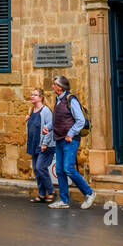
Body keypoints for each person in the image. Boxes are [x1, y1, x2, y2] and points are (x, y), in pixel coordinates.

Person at [48, 74, 95, 209]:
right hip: (59, 139)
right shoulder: (58, 100)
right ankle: (64, 200)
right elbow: (57, 120)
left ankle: (89, 193)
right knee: (60, 170)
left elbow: (80, 120)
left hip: (70, 140)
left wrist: (70, 133)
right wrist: (48, 127)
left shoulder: (71, 100)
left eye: (54, 84)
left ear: (60, 87)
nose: (52, 86)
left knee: (68, 168)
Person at [25, 88, 55, 202]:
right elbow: (33, 127)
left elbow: (49, 128)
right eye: (31, 95)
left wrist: (45, 143)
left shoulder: (46, 111)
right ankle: (42, 194)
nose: (32, 97)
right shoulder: (31, 109)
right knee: (37, 171)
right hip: (34, 144)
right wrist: (27, 120)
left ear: (41, 97)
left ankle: (51, 191)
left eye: (35, 95)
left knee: (40, 168)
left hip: (44, 145)